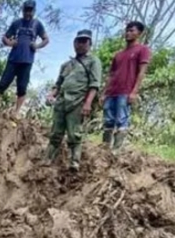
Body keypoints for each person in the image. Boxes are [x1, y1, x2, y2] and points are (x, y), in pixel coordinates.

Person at [45, 29, 102, 171]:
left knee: (74, 134)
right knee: (55, 133)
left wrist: (88, 103)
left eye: (84, 41)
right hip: (61, 102)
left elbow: (94, 85)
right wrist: (51, 95)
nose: (80, 44)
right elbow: (58, 84)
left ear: (89, 43)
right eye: (78, 41)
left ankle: (74, 162)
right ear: (74, 43)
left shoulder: (93, 61)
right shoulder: (66, 65)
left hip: (77, 102)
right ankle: (47, 159)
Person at [0, 0, 49, 117]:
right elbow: (4, 37)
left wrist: (37, 46)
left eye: (30, 10)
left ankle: (16, 112)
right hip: (13, 59)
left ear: (34, 11)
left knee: (22, 87)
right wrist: (10, 43)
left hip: (27, 61)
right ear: (23, 10)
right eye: (26, 10)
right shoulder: (16, 23)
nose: (28, 13)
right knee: (3, 82)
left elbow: (46, 39)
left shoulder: (37, 24)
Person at [101, 21, 151, 152]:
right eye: (127, 30)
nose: (128, 33)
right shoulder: (118, 54)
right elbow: (111, 75)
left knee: (122, 119)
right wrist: (104, 92)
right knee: (108, 120)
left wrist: (134, 92)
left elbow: (142, 72)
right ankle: (104, 149)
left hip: (126, 90)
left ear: (139, 33)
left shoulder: (143, 50)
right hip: (111, 91)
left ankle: (116, 150)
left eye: (132, 31)